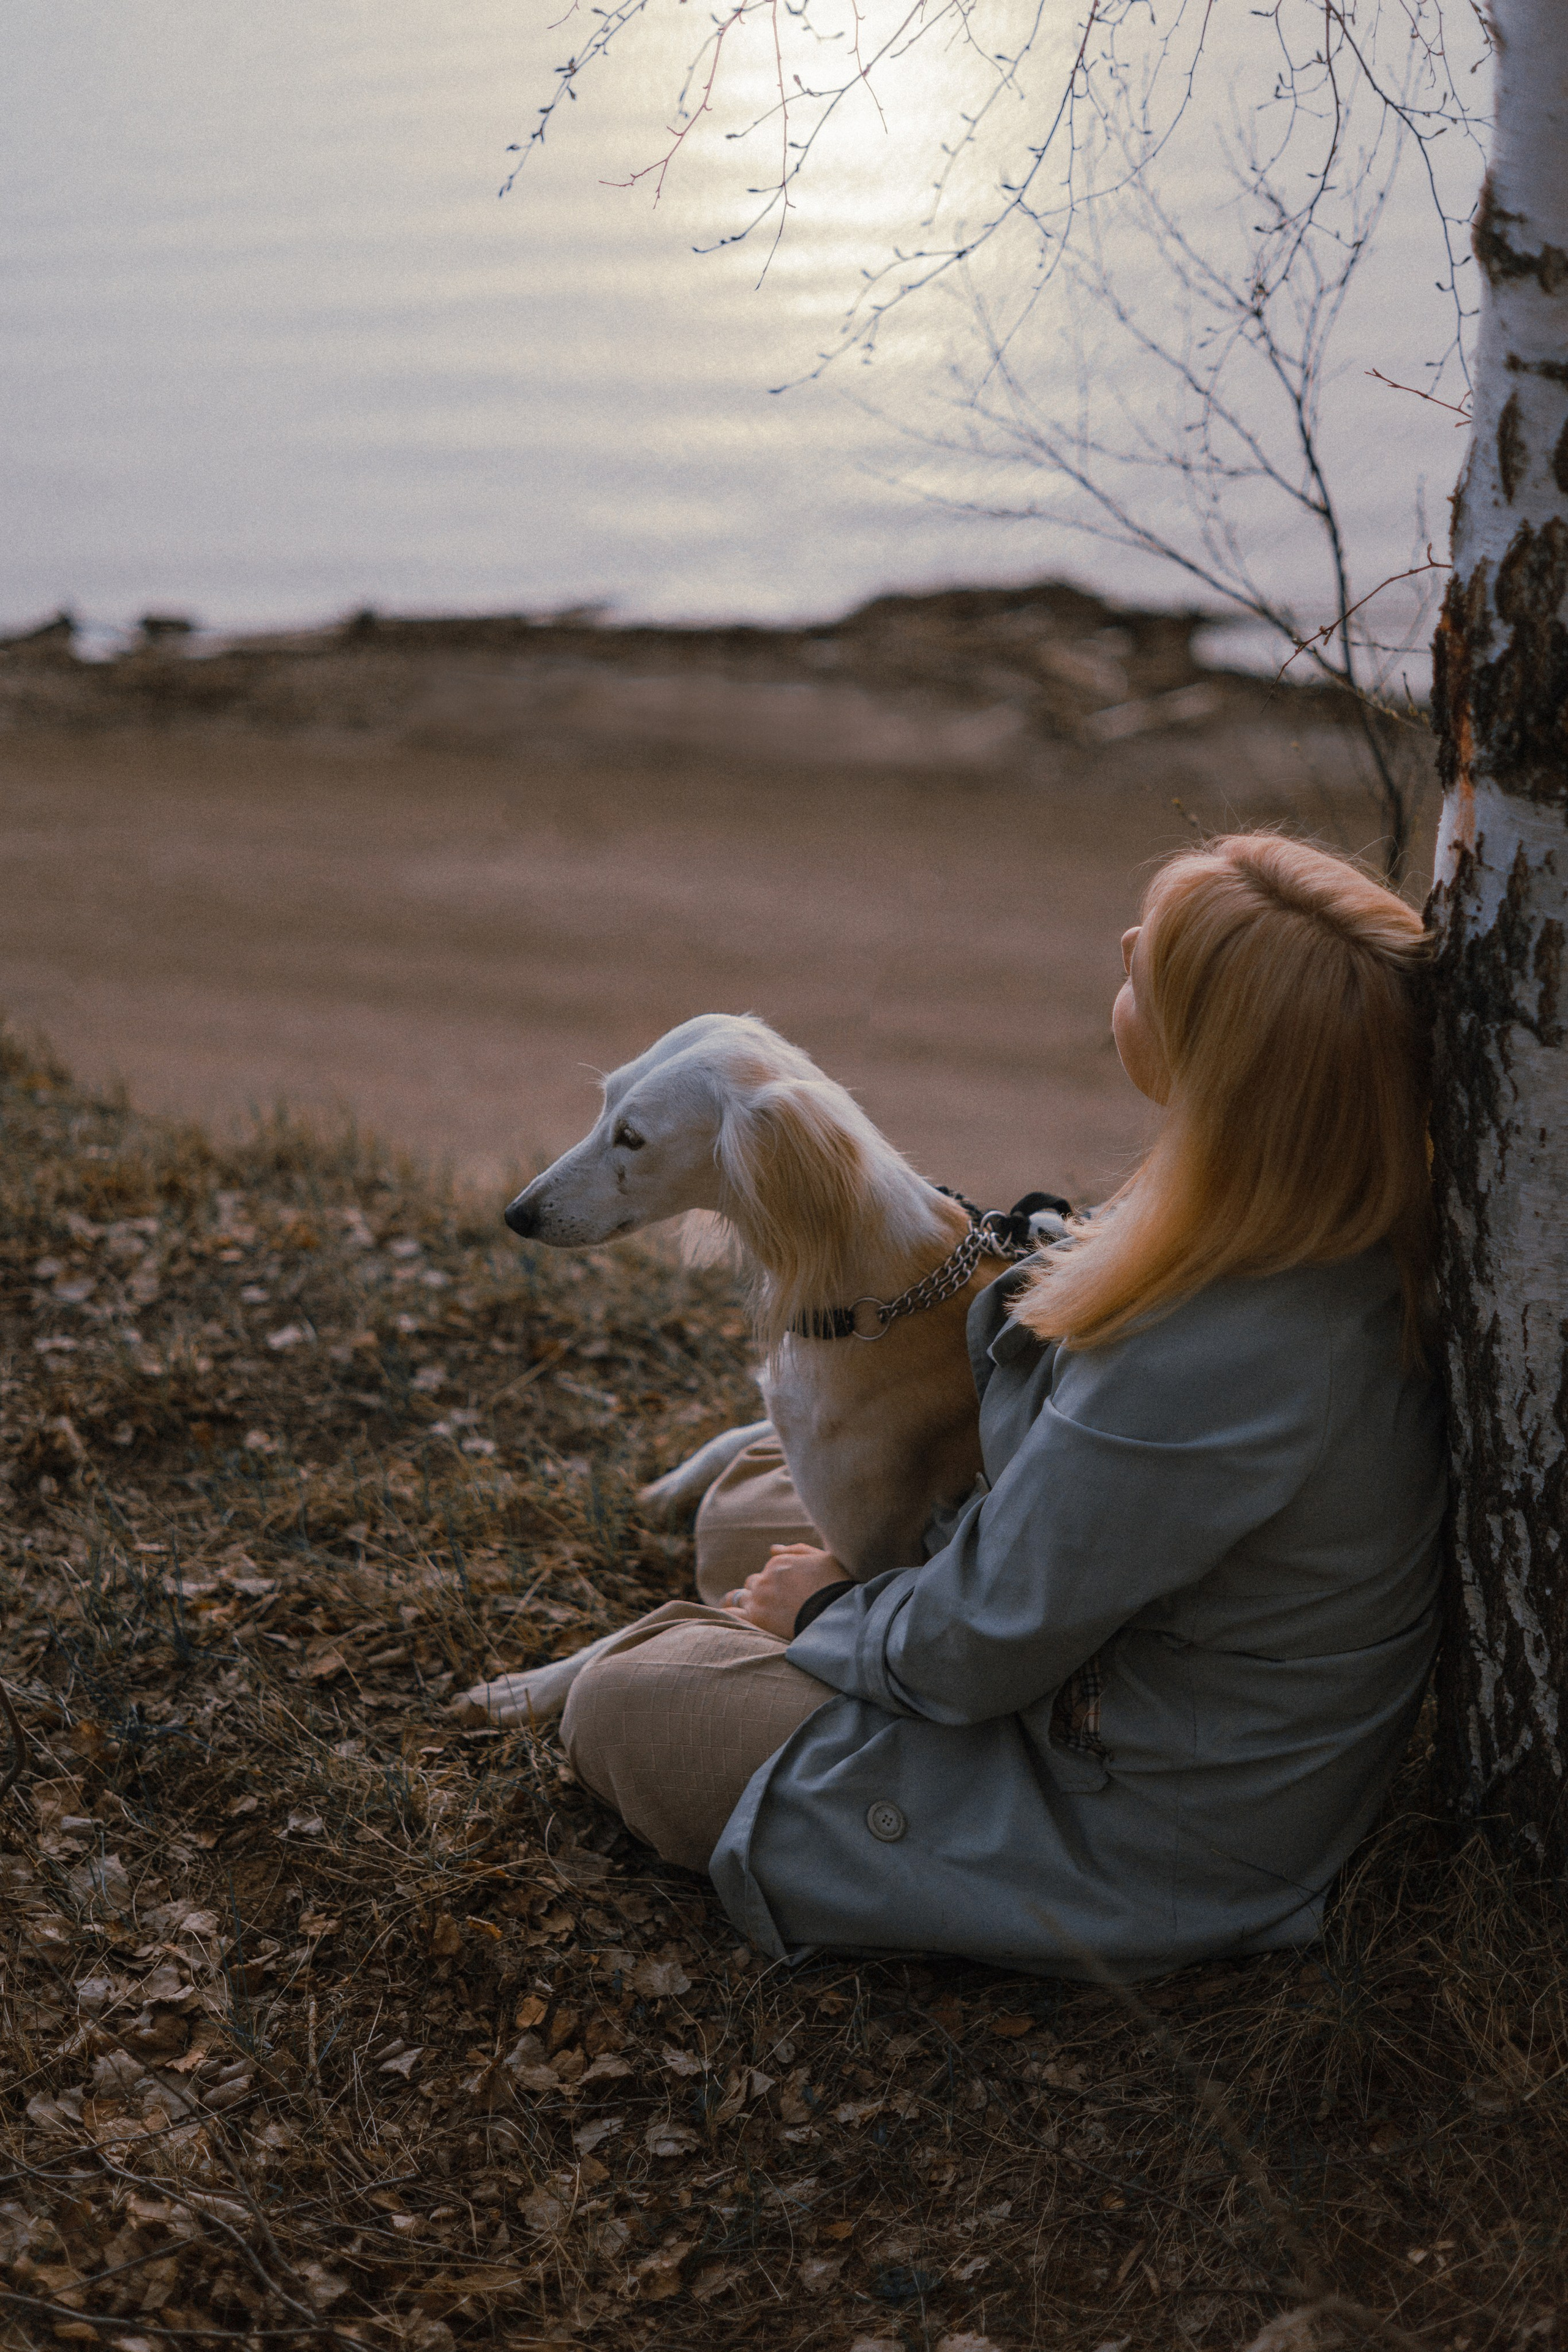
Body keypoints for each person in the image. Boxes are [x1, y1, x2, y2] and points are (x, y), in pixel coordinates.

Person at [560, 833, 1446, 1980]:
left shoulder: (1217, 1354)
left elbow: (979, 1650)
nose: (1124, 947)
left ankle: (798, 1706)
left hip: (1136, 1820)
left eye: (1153, 970)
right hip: (1133, 1683)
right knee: (744, 1509)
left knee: (627, 1703)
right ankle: (796, 1631)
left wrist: (829, 1613)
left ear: (1227, 1073)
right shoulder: (1301, 1220)